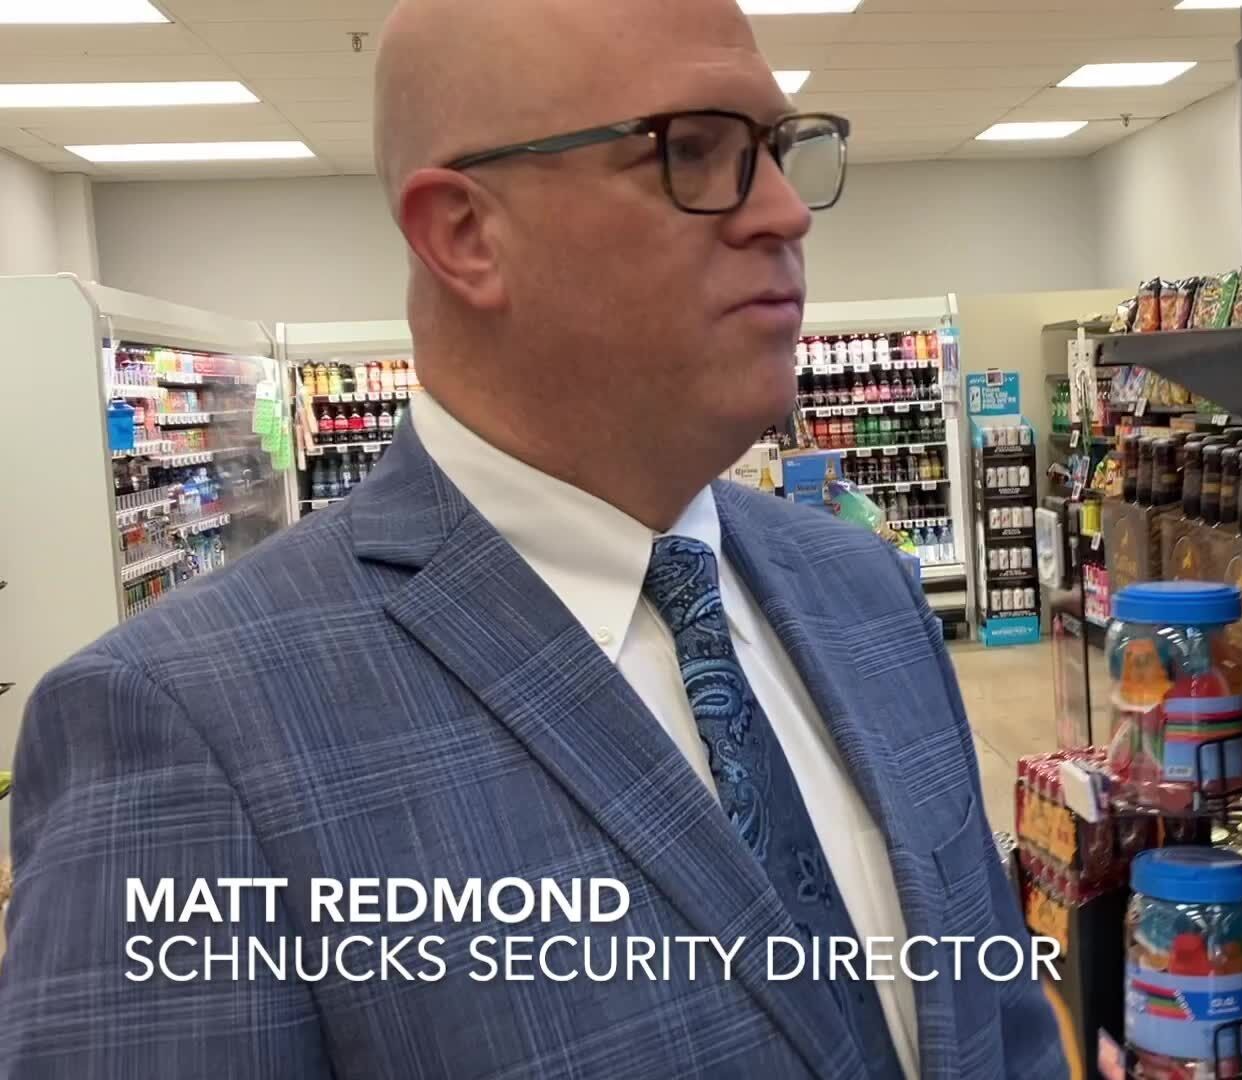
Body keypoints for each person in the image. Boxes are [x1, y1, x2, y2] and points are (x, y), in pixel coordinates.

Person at [0, 0, 1066, 1076]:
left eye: (782, 149)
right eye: (694, 150)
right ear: (465, 234)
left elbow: (1003, 1026)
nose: (787, 213)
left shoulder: (865, 590)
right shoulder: (184, 726)